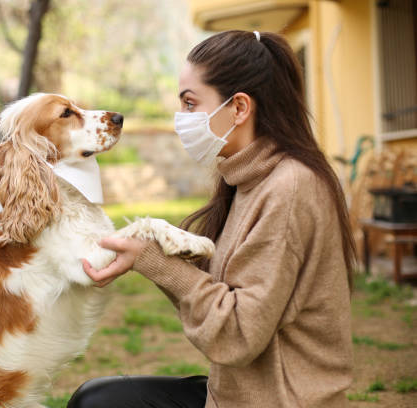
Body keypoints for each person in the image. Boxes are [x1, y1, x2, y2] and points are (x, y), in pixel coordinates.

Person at [68, 30, 356, 408]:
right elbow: (218, 288)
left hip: (282, 400)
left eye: (190, 104)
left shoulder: (290, 188)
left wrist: (153, 261)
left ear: (238, 108)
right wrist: (146, 251)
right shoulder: (247, 177)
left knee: (99, 405)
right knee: (96, 398)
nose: (181, 119)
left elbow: (237, 335)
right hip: (237, 393)